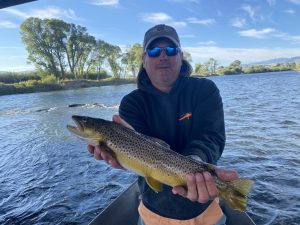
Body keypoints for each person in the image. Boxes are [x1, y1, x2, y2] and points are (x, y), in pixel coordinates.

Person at [87, 24, 238, 225]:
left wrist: (195, 163)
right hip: (154, 213)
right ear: (144, 59)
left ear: (180, 56)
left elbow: (211, 136)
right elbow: (138, 154)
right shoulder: (132, 103)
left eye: (171, 50)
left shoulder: (205, 89)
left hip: (206, 210)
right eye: (154, 50)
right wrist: (121, 158)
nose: (163, 55)